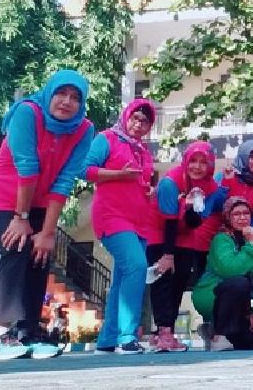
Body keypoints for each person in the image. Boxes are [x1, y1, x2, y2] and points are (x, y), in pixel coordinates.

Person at [0, 69, 94, 359]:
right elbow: (27, 167)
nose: (66, 102)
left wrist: (48, 233)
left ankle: (27, 332)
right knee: (16, 246)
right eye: (61, 93)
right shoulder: (27, 113)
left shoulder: (84, 129)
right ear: (49, 94)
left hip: (39, 200)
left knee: (40, 254)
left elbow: (65, 180)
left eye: (75, 97)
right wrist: (21, 217)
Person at [84, 98, 156, 355]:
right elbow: (85, 170)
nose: (139, 124)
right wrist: (119, 175)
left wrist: (148, 190)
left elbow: (139, 181)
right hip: (112, 216)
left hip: (140, 221)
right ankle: (127, 337)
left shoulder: (144, 151)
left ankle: (107, 340)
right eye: (135, 118)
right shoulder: (107, 138)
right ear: (126, 116)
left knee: (123, 278)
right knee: (137, 266)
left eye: (145, 121)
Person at [146, 141, 227, 352]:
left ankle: (167, 331)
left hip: (186, 234)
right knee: (162, 280)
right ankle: (162, 332)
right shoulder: (170, 183)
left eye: (203, 162)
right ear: (186, 161)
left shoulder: (211, 188)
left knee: (180, 281)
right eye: (193, 160)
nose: (197, 166)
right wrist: (167, 255)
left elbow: (194, 223)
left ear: (210, 165)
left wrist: (190, 208)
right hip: (160, 231)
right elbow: (169, 221)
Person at [192, 197, 253, 351]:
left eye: (246, 213)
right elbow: (230, 270)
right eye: (237, 214)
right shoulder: (221, 239)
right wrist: (250, 245)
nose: (242, 217)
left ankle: (211, 331)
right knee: (239, 282)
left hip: (239, 300)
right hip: (212, 294)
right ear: (228, 217)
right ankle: (219, 335)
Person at [216, 140, 253, 229]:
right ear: (243, 157)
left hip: (245, 231)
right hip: (219, 230)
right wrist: (226, 183)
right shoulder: (225, 175)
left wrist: (251, 228)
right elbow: (214, 206)